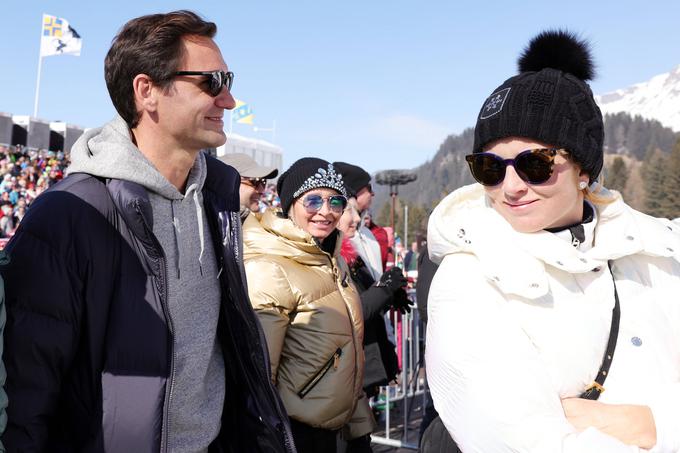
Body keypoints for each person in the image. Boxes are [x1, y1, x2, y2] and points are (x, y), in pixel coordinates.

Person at [0, 10, 294, 452]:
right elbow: (28, 390)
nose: (228, 100)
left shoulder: (216, 201)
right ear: (147, 92)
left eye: (228, 80)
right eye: (211, 82)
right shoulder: (68, 216)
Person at [426, 30, 680, 452]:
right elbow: (521, 441)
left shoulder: (657, 251)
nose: (510, 187)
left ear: (583, 169)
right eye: (489, 167)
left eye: (535, 164)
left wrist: (652, 425)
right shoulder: (468, 276)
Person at [243, 158, 368, 453]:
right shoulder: (269, 265)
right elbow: (260, 374)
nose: (325, 211)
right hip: (294, 433)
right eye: (313, 200)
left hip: (335, 430)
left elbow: (348, 350)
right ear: (290, 204)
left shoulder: (333, 261)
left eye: (336, 201)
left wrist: (360, 430)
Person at [336, 196, 411, 452]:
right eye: (349, 211)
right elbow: (351, 310)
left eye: (356, 212)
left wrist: (390, 293)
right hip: (343, 376)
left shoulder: (351, 255)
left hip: (360, 371)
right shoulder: (330, 258)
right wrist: (384, 289)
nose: (357, 219)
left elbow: (366, 298)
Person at [334, 162, 384, 280]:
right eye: (369, 188)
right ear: (357, 190)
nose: (372, 194)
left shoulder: (367, 232)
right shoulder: (338, 240)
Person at [220, 152, 278, 221]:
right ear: (228, 183)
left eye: (263, 182)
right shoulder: (209, 223)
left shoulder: (257, 225)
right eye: (255, 181)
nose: (262, 190)